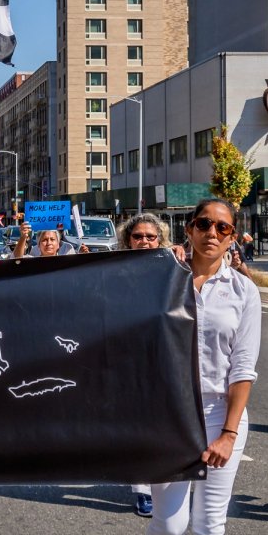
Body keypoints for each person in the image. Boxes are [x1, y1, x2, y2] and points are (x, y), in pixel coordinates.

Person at [133, 198, 260, 535]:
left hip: (218, 413)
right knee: (170, 523)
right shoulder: (163, 278)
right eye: (204, 223)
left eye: (223, 228)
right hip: (168, 413)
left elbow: (243, 367)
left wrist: (229, 431)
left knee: (211, 526)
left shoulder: (243, 291)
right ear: (188, 229)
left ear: (232, 237)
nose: (213, 232)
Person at [118, 213, 173, 518]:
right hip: (128, 355)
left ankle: (160, 480)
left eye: (151, 237)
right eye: (138, 236)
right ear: (128, 239)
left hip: (162, 354)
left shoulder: (171, 267)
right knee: (137, 421)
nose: (144, 241)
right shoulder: (115, 268)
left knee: (160, 420)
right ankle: (142, 488)